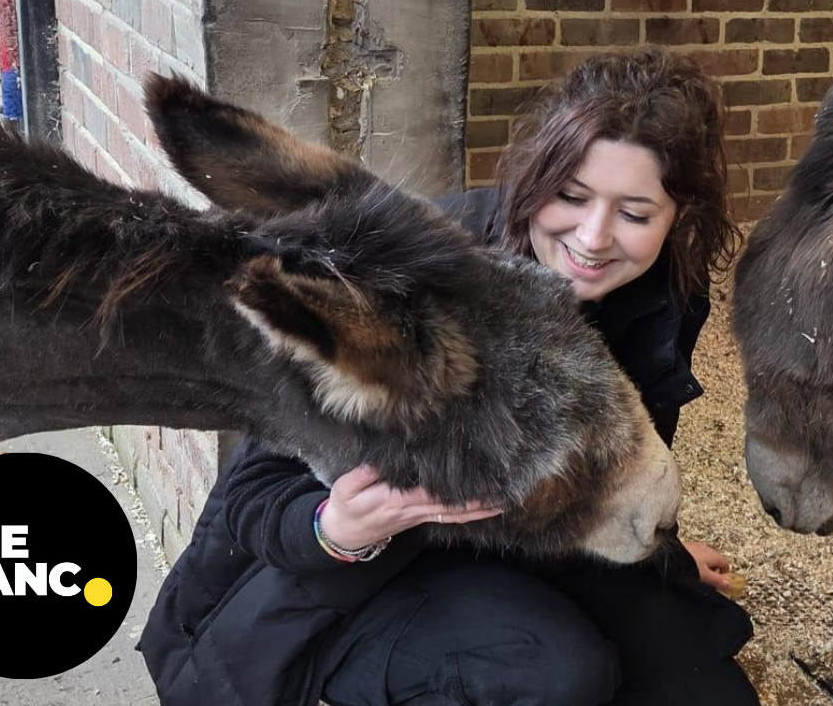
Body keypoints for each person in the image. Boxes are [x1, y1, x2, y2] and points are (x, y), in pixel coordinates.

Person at [139, 48, 757, 706]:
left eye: (635, 214)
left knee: (706, 690)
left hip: (514, 545)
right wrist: (336, 528)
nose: (594, 237)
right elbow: (251, 496)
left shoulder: (661, 292)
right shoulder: (407, 285)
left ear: (678, 217)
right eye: (571, 197)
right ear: (535, 175)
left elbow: (610, 459)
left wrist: (650, 536)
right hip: (342, 579)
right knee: (556, 673)